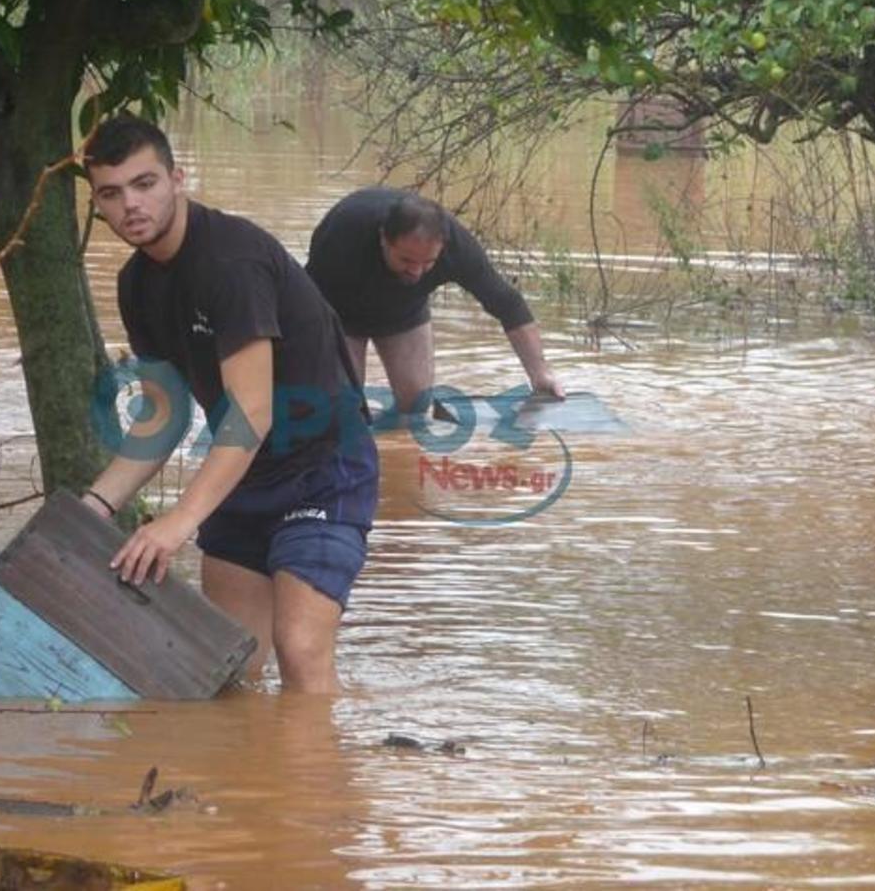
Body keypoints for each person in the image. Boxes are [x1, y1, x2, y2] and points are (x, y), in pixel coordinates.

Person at [79, 115, 377, 694]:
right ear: (97, 204)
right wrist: (96, 505)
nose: (130, 206)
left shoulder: (230, 264)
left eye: (145, 184)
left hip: (323, 469)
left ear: (177, 178)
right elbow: (162, 418)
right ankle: (246, 782)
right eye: (111, 194)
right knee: (230, 671)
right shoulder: (135, 284)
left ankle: (315, 784)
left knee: (300, 648)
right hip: (243, 479)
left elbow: (252, 412)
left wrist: (179, 522)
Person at [305, 187, 564, 413]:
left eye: (428, 262)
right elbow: (306, 304)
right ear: (384, 238)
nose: (416, 271)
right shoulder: (343, 235)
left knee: (416, 404)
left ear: (442, 246)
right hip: (339, 310)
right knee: (344, 405)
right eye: (406, 260)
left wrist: (540, 374)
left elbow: (508, 304)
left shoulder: (458, 249)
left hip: (403, 310)